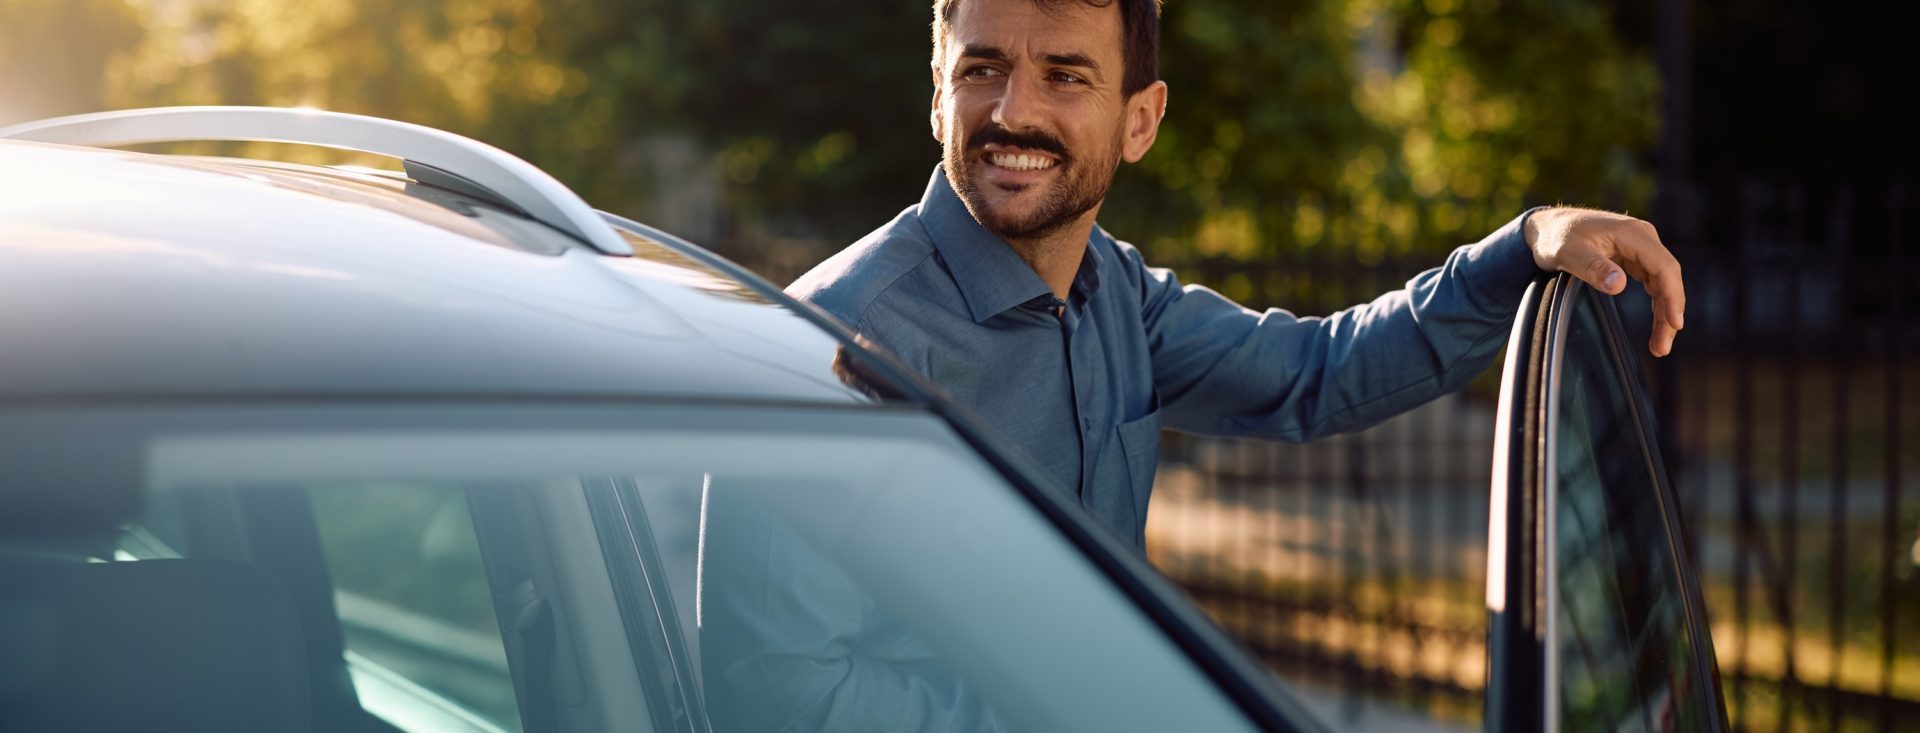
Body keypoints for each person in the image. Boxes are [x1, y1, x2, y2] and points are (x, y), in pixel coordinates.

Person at [702, 0, 1688, 729]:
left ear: (1140, 119)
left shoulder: (1114, 293)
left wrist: (1524, 246)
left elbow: (1317, 373)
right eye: (982, 68)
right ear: (937, 95)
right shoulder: (832, 351)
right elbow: (777, 700)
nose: (1012, 110)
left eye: (1066, 75)